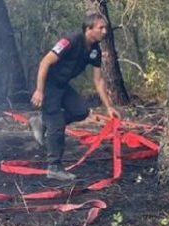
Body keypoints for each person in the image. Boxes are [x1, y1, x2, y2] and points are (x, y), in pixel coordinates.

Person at [27, 13, 120, 181]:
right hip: (47, 83)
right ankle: (54, 167)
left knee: (81, 111)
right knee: (56, 125)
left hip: (63, 85)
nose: (105, 31)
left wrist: (109, 107)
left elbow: (98, 81)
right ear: (89, 28)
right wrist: (39, 90)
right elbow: (45, 62)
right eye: (101, 28)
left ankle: (41, 121)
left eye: (106, 28)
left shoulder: (95, 50)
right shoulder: (70, 40)